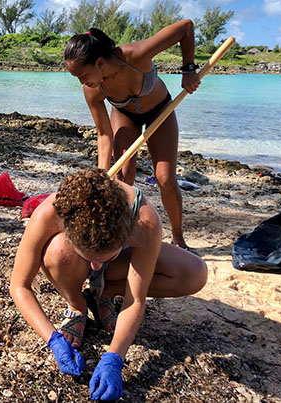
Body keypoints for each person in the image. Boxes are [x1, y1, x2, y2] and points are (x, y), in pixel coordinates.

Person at [10, 168, 206, 400]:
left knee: (195, 273)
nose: (95, 268)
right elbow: (19, 286)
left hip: (121, 262)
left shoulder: (143, 219)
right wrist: (52, 338)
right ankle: (77, 305)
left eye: (103, 259)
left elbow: (135, 300)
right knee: (59, 251)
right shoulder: (50, 212)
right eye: (89, 258)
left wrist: (115, 357)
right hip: (70, 261)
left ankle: (103, 293)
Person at [64, 20, 201, 250]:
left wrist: (188, 70)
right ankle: (122, 238)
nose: (82, 82)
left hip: (161, 110)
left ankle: (178, 239)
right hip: (125, 115)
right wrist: (102, 172)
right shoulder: (92, 90)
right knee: (121, 179)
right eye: (76, 77)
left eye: (83, 74)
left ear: (99, 63)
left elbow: (186, 27)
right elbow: (104, 134)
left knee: (165, 178)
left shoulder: (135, 55)